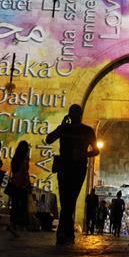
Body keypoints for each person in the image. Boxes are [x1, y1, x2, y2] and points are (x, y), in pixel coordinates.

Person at [45, 104, 99, 245]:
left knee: (71, 199)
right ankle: (66, 232)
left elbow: (96, 150)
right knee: (65, 200)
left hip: (78, 168)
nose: (74, 116)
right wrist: (60, 126)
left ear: (80, 115)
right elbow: (49, 139)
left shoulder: (87, 131)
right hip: (64, 166)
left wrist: (84, 154)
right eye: (72, 113)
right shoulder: (64, 128)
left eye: (76, 113)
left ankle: (64, 232)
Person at [7, 140, 31, 237]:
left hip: (14, 184)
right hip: (21, 185)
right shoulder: (24, 160)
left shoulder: (16, 158)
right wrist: (28, 184)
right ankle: (16, 225)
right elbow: (25, 173)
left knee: (15, 205)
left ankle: (13, 224)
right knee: (21, 206)